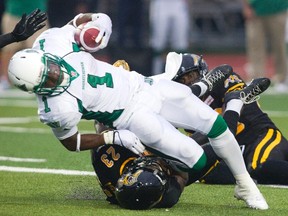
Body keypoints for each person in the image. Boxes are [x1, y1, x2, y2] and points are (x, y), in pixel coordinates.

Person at [8, 12, 268, 210]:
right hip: (131, 116)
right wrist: (111, 137)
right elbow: (69, 141)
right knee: (196, 159)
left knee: (214, 124)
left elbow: (84, 21)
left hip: (142, 84)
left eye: (50, 70)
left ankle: (244, 183)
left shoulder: (51, 43)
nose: (55, 75)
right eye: (48, 80)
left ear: (43, 57)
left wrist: (99, 27)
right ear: (37, 89)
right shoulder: (55, 108)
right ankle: (208, 94)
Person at [169, 52, 288, 186]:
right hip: (231, 151)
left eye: (190, 76)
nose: (189, 82)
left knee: (257, 166)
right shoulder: (180, 105)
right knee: (202, 171)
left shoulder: (223, 81)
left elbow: (225, 125)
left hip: (258, 137)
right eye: (181, 81)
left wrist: (188, 143)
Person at [0, 0, 49, 90]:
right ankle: (4, 79)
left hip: (37, 14)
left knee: (40, 51)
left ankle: (38, 79)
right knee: (8, 49)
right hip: (14, 13)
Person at [242, 0, 288, 92]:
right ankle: (256, 78)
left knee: (279, 46)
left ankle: (282, 78)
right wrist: (246, 6)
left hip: (278, 9)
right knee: (255, 46)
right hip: (255, 10)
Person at [149, 0, 191, 75]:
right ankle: (155, 74)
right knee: (158, 42)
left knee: (180, 43)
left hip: (179, 4)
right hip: (161, 4)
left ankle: (181, 74)